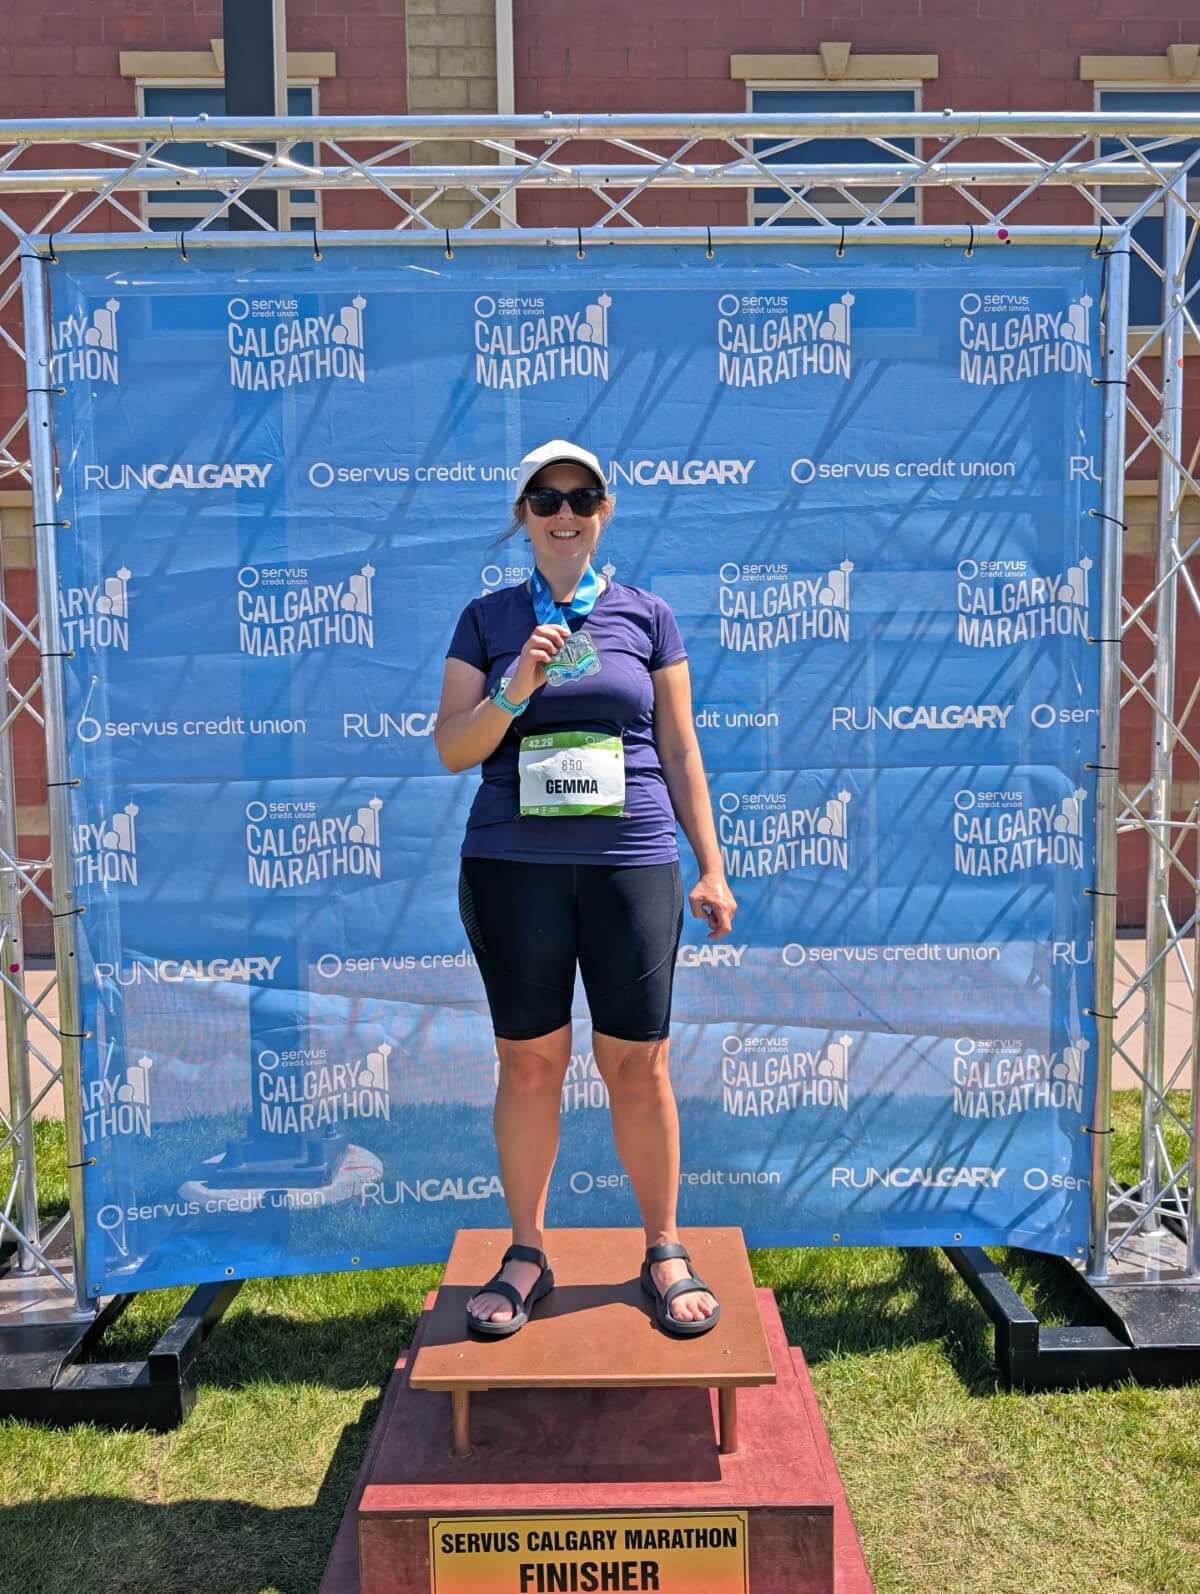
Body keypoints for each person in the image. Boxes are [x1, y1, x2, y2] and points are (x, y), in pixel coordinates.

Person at [435, 439, 737, 1339]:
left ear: (604, 513)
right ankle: (527, 1250)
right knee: (530, 1065)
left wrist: (712, 863)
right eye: (545, 497)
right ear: (522, 515)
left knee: (638, 1066)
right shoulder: (486, 619)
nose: (564, 511)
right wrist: (517, 686)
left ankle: (663, 1247)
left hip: (632, 864)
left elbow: (680, 750)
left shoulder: (647, 616)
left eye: (582, 495)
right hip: (513, 871)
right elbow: (454, 747)